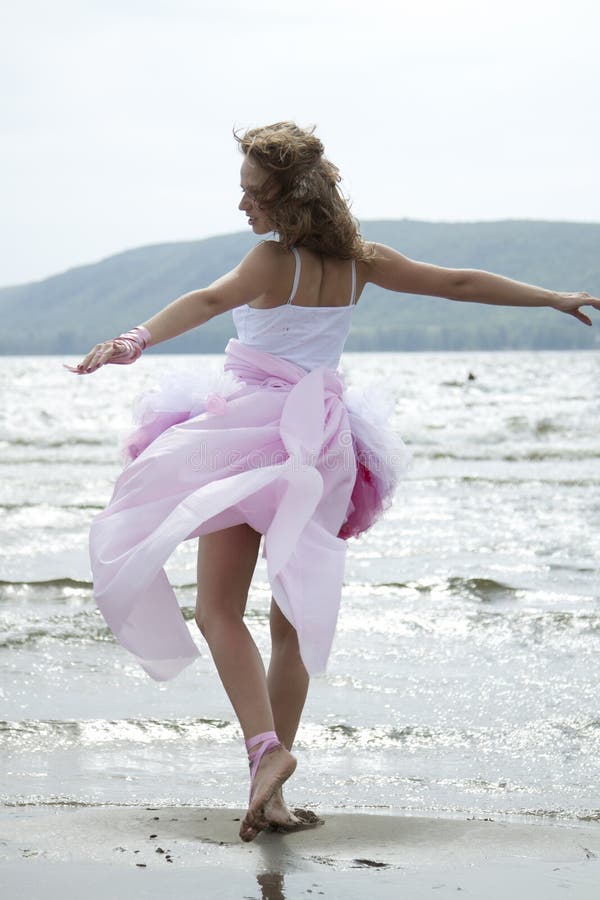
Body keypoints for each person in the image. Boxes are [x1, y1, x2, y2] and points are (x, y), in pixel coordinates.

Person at [65, 121, 599, 843]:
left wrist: (135, 339)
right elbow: (459, 283)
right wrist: (555, 295)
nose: (244, 205)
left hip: (243, 439)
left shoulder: (266, 261)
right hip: (319, 449)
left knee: (220, 610)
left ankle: (266, 753)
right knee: (293, 623)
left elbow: (205, 300)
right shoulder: (361, 263)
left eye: (253, 192)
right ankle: (275, 796)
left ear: (285, 195)